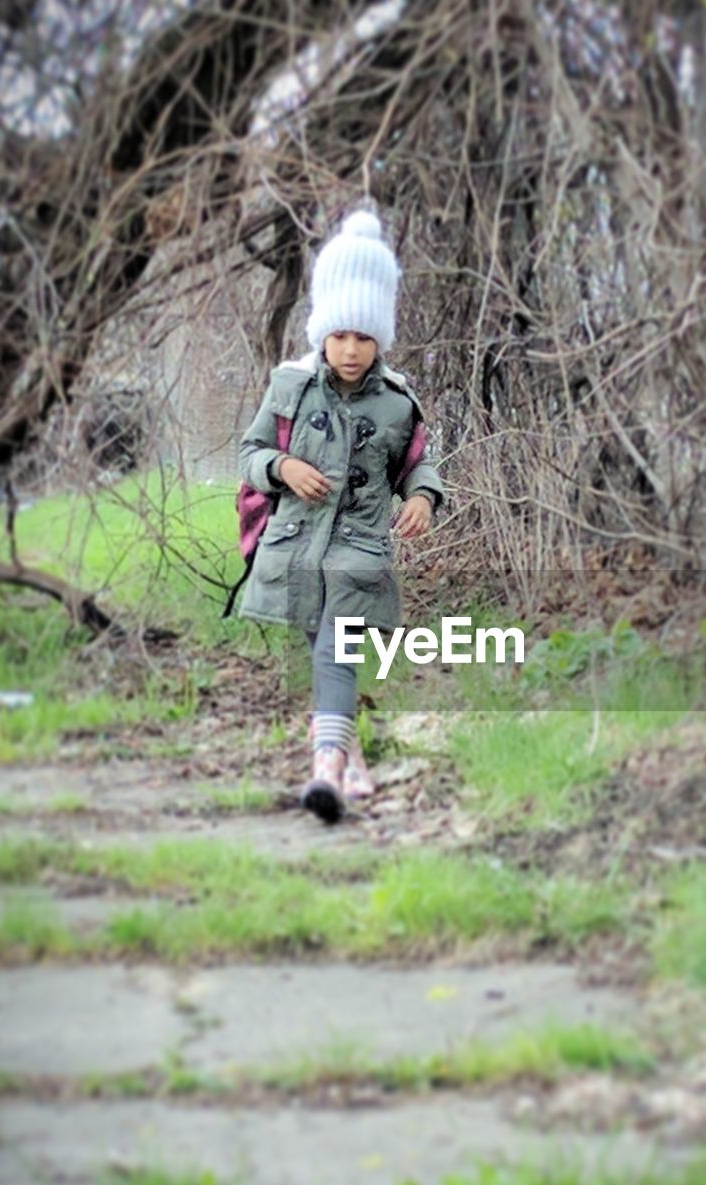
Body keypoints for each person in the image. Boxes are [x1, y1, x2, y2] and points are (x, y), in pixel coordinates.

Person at [237, 209, 444, 823]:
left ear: (380, 335)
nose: (350, 349)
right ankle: (351, 760)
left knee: (337, 653)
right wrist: (282, 469)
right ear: (321, 331)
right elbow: (249, 455)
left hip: (358, 554)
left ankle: (324, 770)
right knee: (326, 654)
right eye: (339, 335)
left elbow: (417, 466)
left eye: (364, 335)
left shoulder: (398, 403)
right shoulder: (290, 389)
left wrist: (422, 498)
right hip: (297, 551)